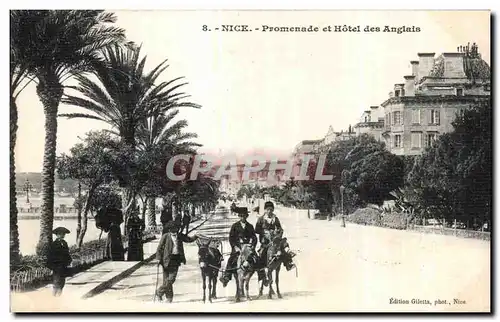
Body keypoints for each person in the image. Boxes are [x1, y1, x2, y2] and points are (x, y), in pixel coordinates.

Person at [155, 220, 199, 303]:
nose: (175, 230)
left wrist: (196, 236)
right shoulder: (165, 236)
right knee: (167, 280)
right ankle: (169, 298)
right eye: (173, 229)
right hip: (166, 260)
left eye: (176, 228)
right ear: (169, 229)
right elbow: (159, 248)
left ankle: (159, 292)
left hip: (176, 259)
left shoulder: (179, 235)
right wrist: (158, 258)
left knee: (171, 279)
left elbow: (188, 239)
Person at [219, 207, 258, 287]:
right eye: (241, 216)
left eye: (244, 216)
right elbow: (231, 238)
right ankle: (226, 276)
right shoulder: (235, 226)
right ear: (239, 216)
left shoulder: (250, 226)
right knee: (231, 260)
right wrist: (235, 247)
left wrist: (252, 246)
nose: (242, 217)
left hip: (248, 248)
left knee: (256, 258)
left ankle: (262, 275)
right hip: (238, 247)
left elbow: (254, 237)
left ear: (246, 216)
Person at [255, 201, 296, 272]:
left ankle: (288, 263)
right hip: (265, 241)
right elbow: (256, 230)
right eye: (268, 209)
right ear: (265, 210)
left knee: (283, 246)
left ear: (273, 210)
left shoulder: (275, 219)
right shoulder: (261, 219)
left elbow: (280, 229)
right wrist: (264, 232)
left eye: (271, 209)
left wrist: (277, 234)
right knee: (262, 253)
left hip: (274, 240)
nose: (269, 211)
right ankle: (261, 270)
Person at [46, 227, 72, 297]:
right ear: (57, 235)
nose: (62, 235)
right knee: (56, 283)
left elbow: (67, 254)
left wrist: (69, 260)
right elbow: (50, 256)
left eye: (63, 234)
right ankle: (54, 298)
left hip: (63, 266)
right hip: (56, 267)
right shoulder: (54, 244)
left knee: (62, 283)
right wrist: (52, 266)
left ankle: (59, 296)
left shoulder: (64, 243)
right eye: (60, 234)